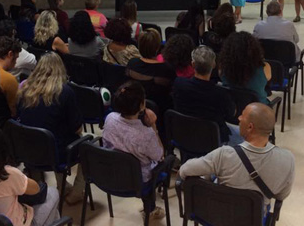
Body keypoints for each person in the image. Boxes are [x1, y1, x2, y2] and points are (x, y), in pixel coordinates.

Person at [179, 103, 295, 216]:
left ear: (250, 127)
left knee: (211, 174)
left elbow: (184, 170)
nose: (239, 118)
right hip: (254, 220)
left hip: (216, 217)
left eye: (242, 115)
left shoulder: (224, 155)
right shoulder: (288, 159)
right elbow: (281, 195)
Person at [17, 52, 85, 204]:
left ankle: (56, 185)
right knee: (86, 145)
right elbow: (77, 128)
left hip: (27, 150)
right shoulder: (65, 92)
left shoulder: (24, 88)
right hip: (56, 153)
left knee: (54, 137)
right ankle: (77, 192)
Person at [102, 81, 165, 221]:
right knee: (159, 165)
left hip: (110, 175)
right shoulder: (146, 135)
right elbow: (160, 155)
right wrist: (153, 127)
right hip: (138, 182)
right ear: (142, 105)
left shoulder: (110, 119)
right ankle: (151, 209)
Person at [172, 45, 241, 146]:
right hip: (214, 140)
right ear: (214, 65)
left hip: (185, 136)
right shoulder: (220, 93)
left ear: (193, 64)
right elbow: (232, 113)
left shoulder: (179, 84)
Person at [126, 29, 176, 117]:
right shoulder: (166, 69)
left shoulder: (132, 63)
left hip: (135, 110)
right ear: (158, 47)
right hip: (160, 114)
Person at [219, 31, 271, 104]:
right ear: (255, 49)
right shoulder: (265, 67)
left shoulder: (222, 67)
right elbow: (268, 80)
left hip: (231, 107)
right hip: (257, 108)